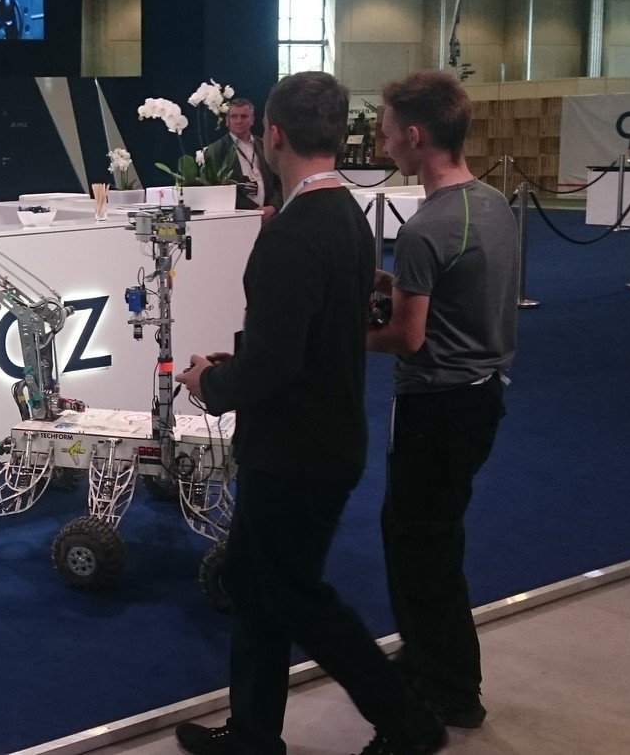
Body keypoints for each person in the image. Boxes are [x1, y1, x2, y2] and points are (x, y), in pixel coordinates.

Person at [172, 73, 447, 755]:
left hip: (295, 449)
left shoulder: (294, 232)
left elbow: (275, 364)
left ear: (273, 135)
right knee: (252, 582)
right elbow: (308, 335)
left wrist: (211, 382)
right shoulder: (347, 214)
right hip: (322, 435)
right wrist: (240, 361)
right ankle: (253, 733)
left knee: (293, 595)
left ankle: (409, 723)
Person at [369, 71, 517, 732]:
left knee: (420, 544)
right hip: (481, 396)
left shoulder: (428, 226)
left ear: (415, 135)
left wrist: (340, 334)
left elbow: (407, 336)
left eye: (387, 131)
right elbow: (459, 293)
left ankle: (450, 690)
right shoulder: (493, 204)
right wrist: (394, 283)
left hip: (435, 405)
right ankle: (428, 656)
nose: (382, 141)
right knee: (426, 534)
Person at [202, 98, 282, 219]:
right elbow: (213, 190)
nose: (239, 121)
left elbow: (280, 180)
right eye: (234, 116)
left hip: (269, 216)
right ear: (227, 121)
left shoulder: (266, 145)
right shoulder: (216, 150)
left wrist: (273, 207)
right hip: (237, 218)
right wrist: (250, 213)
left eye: (244, 116)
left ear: (252, 120)